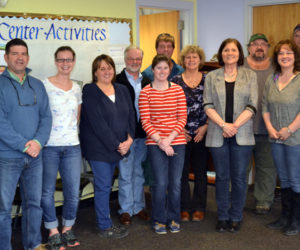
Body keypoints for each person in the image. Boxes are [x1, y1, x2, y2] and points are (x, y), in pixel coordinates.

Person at [0, 38, 52, 250]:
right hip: (7, 158)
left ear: (28, 58)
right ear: (6, 57)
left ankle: (33, 244)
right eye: (15, 54)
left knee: (34, 204)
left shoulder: (37, 85)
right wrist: (25, 145)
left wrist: (38, 143)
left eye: (23, 54)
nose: (20, 57)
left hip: (35, 157)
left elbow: (46, 118)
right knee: (3, 208)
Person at [203, 38, 258, 233]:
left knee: (240, 178)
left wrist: (233, 126)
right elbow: (207, 104)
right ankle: (223, 216)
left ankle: (236, 216)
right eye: (226, 50)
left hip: (241, 134)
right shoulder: (212, 76)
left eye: (233, 50)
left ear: (239, 53)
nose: (229, 53)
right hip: (218, 133)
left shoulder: (249, 76)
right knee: (222, 177)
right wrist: (223, 125)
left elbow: (252, 105)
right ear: (221, 53)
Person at [80, 54, 135, 239]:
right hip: (99, 148)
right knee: (103, 186)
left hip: (120, 146)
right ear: (95, 72)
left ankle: (105, 221)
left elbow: (130, 117)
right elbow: (98, 123)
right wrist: (117, 145)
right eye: (101, 68)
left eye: (109, 67)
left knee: (109, 185)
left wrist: (129, 140)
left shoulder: (122, 89)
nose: (106, 71)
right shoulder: (90, 90)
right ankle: (104, 226)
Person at [139, 54, 187, 234]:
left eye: (165, 68)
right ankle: (158, 219)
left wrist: (170, 140)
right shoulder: (146, 92)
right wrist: (161, 141)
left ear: (170, 70)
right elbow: (146, 121)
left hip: (177, 142)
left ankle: (173, 218)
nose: (161, 71)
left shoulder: (177, 90)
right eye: (158, 68)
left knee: (175, 183)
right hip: (155, 143)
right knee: (160, 183)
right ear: (153, 70)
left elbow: (182, 118)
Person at [41, 46, 82, 249]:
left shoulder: (77, 88)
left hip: (73, 147)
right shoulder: (44, 85)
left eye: (69, 59)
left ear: (74, 62)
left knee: (73, 192)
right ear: (55, 61)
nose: (65, 63)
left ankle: (67, 228)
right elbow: (40, 115)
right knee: (47, 191)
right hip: (49, 146)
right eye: (61, 60)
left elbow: (77, 117)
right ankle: (52, 230)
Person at [262, 39, 300, 236]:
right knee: (283, 178)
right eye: (281, 53)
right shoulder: (272, 79)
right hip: (275, 137)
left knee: (295, 179)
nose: (284, 56)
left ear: (295, 57)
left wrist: (289, 129)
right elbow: (265, 107)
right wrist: (269, 128)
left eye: (289, 53)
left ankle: (296, 219)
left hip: (295, 139)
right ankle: (284, 216)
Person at [171, 45, 209, 222]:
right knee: (182, 173)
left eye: (195, 57)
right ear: (183, 60)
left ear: (200, 60)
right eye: (188, 57)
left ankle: (200, 207)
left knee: (201, 172)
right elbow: (170, 108)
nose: (191, 60)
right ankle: (184, 207)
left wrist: (206, 126)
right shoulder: (175, 80)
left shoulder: (209, 79)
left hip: (203, 132)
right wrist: (179, 130)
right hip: (181, 133)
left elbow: (215, 105)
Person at [116, 45, 151, 225]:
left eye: (138, 59)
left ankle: (139, 207)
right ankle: (126, 209)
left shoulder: (147, 81)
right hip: (125, 136)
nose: (135, 62)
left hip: (143, 135)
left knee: (138, 172)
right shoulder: (117, 81)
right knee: (125, 173)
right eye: (131, 59)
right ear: (125, 60)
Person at [244, 33, 276, 215]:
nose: (259, 47)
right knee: (240, 167)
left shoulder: (276, 67)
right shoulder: (241, 66)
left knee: (267, 167)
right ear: (249, 48)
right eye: (255, 44)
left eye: (263, 44)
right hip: (243, 127)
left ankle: (263, 201)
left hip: (268, 126)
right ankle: (236, 199)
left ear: (268, 48)